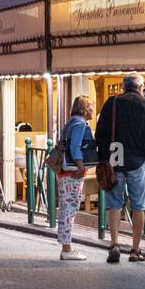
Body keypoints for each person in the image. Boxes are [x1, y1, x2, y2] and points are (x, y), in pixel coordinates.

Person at [93, 72, 145, 264]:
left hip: (114, 161)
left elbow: (100, 134)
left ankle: (114, 244)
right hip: (136, 161)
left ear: (123, 87)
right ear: (141, 88)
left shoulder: (112, 103)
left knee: (114, 203)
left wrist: (103, 157)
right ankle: (135, 249)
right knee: (138, 205)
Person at [54, 95, 96, 261]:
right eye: (91, 106)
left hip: (65, 171)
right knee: (70, 209)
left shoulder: (70, 122)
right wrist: (80, 166)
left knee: (66, 208)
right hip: (72, 171)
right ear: (85, 108)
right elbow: (75, 146)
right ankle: (67, 248)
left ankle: (66, 246)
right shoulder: (79, 123)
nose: (93, 110)